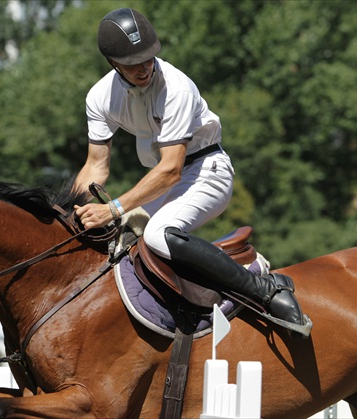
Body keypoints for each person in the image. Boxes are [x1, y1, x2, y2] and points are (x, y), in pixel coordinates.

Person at [74, 8, 306, 327]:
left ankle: (263, 288)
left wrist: (113, 208)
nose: (144, 68)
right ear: (113, 63)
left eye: (149, 57)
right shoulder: (100, 97)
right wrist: (71, 212)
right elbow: (95, 167)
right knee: (115, 237)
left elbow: (171, 170)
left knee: (157, 234)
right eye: (132, 63)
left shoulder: (176, 87)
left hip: (207, 171)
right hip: (164, 181)